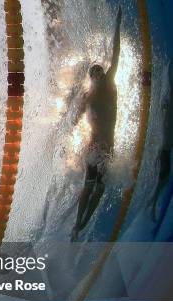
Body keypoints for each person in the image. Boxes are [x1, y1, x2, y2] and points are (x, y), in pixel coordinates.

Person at [71, 7, 122, 241]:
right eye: (95, 74)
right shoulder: (88, 96)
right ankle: (77, 223)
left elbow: (116, 55)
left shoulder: (110, 85)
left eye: (100, 72)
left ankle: (81, 225)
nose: (99, 76)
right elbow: (75, 118)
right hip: (94, 147)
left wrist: (118, 26)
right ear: (91, 79)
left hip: (107, 147)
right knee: (90, 186)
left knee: (99, 190)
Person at [148, 61, 173, 222]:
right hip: (165, 149)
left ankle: (152, 202)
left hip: (166, 148)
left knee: (163, 178)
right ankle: (152, 204)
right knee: (163, 178)